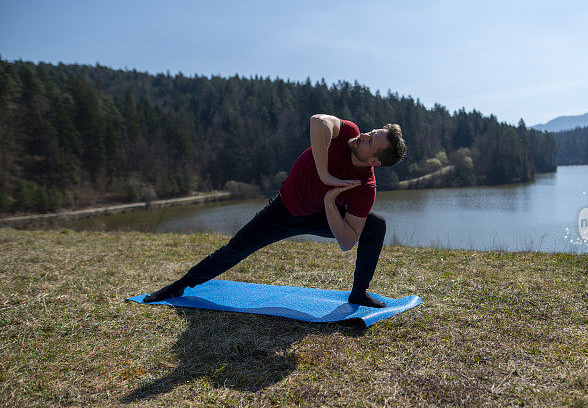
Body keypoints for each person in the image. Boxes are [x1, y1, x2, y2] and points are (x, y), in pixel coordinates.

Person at [143, 114, 407, 308]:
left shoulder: (365, 187)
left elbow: (348, 241)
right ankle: (177, 287)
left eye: (370, 141)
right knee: (235, 249)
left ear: (373, 161)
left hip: (319, 216)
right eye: (370, 132)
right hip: (284, 210)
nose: (363, 136)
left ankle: (359, 293)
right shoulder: (346, 132)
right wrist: (325, 174)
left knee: (376, 224)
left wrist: (329, 203)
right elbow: (318, 121)